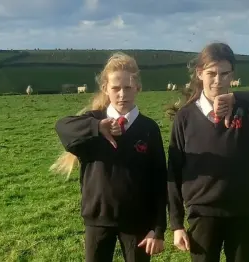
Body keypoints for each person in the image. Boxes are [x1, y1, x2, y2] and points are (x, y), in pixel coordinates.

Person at [165, 42, 249, 262]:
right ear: (199, 74)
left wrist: (237, 98)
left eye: (225, 74)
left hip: (243, 214)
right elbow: (173, 172)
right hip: (203, 217)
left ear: (233, 74)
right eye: (211, 73)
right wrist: (176, 224)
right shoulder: (185, 117)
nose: (218, 80)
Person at [50, 52, 167, 262]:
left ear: (138, 87)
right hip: (98, 219)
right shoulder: (92, 121)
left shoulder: (149, 129)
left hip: (137, 222)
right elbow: (61, 126)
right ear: (105, 89)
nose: (122, 94)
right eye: (115, 88)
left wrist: (157, 229)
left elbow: (159, 180)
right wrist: (97, 127)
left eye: (128, 87)